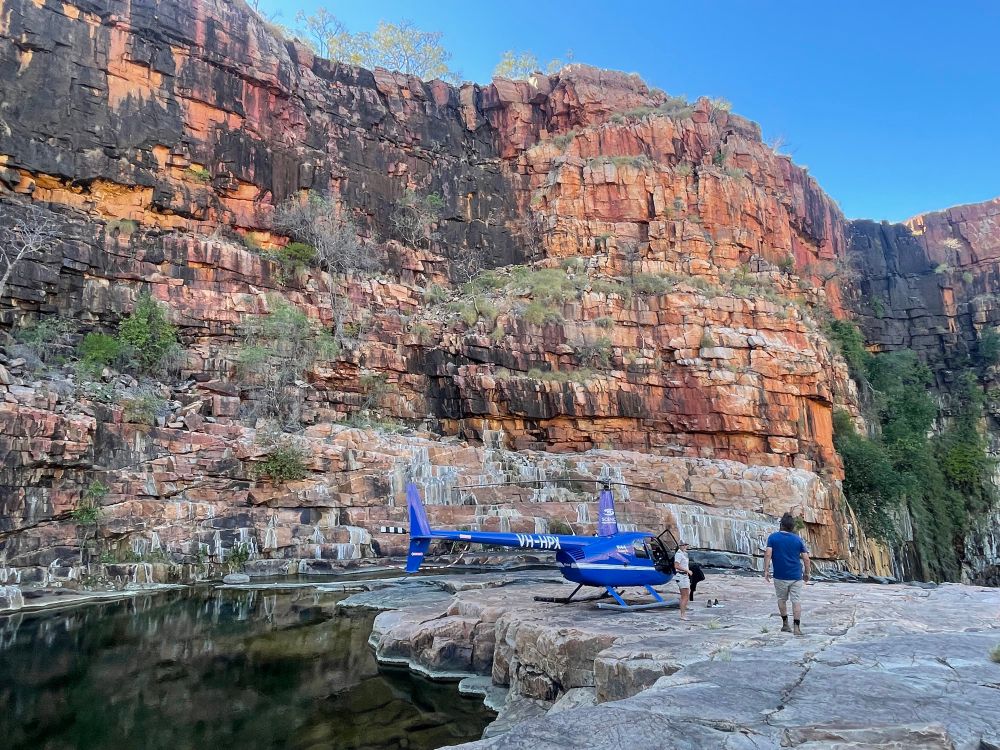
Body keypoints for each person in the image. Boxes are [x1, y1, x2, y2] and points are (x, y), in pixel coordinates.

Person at [764, 513, 811, 635]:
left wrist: (766, 570)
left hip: (780, 576)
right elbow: (806, 558)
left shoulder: (773, 538)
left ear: (781, 525)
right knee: (796, 601)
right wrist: (807, 573)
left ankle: (785, 624)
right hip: (796, 576)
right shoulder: (797, 539)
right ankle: (797, 627)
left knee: (781, 599)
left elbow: (768, 554)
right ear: (792, 527)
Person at [674, 541, 693, 619]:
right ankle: (683, 615)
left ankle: (683, 614)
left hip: (685, 576)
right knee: (684, 596)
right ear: (680, 546)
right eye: (684, 545)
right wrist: (687, 570)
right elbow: (676, 566)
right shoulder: (678, 554)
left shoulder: (684, 554)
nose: (685, 546)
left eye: (686, 545)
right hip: (681, 576)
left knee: (685, 596)